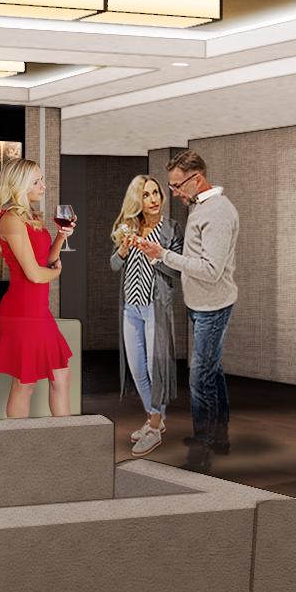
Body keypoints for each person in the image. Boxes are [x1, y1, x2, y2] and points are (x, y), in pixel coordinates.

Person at [126, 150, 238, 467]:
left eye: (177, 186)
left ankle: (200, 451)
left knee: (200, 379)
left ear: (196, 179)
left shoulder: (215, 212)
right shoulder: (201, 206)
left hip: (212, 308)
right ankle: (219, 437)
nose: (173, 193)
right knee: (212, 373)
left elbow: (211, 269)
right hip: (201, 304)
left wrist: (162, 254)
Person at [0, 156, 75, 419]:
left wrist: (61, 236)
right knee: (25, 383)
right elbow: (36, 275)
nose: (43, 186)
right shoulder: (11, 220)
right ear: (19, 185)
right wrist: (56, 273)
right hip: (23, 309)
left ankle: (65, 441)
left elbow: (44, 261)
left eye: (41, 180)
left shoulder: (30, 217)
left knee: (62, 378)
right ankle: (18, 446)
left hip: (38, 309)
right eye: (36, 181)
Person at [107, 173, 175, 456]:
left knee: (154, 368)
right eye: (146, 195)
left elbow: (177, 270)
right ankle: (153, 420)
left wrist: (155, 255)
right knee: (137, 371)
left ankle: (155, 426)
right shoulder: (128, 227)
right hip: (131, 309)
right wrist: (122, 249)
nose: (153, 199)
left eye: (156, 193)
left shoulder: (171, 230)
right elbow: (113, 265)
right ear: (137, 200)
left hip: (154, 309)